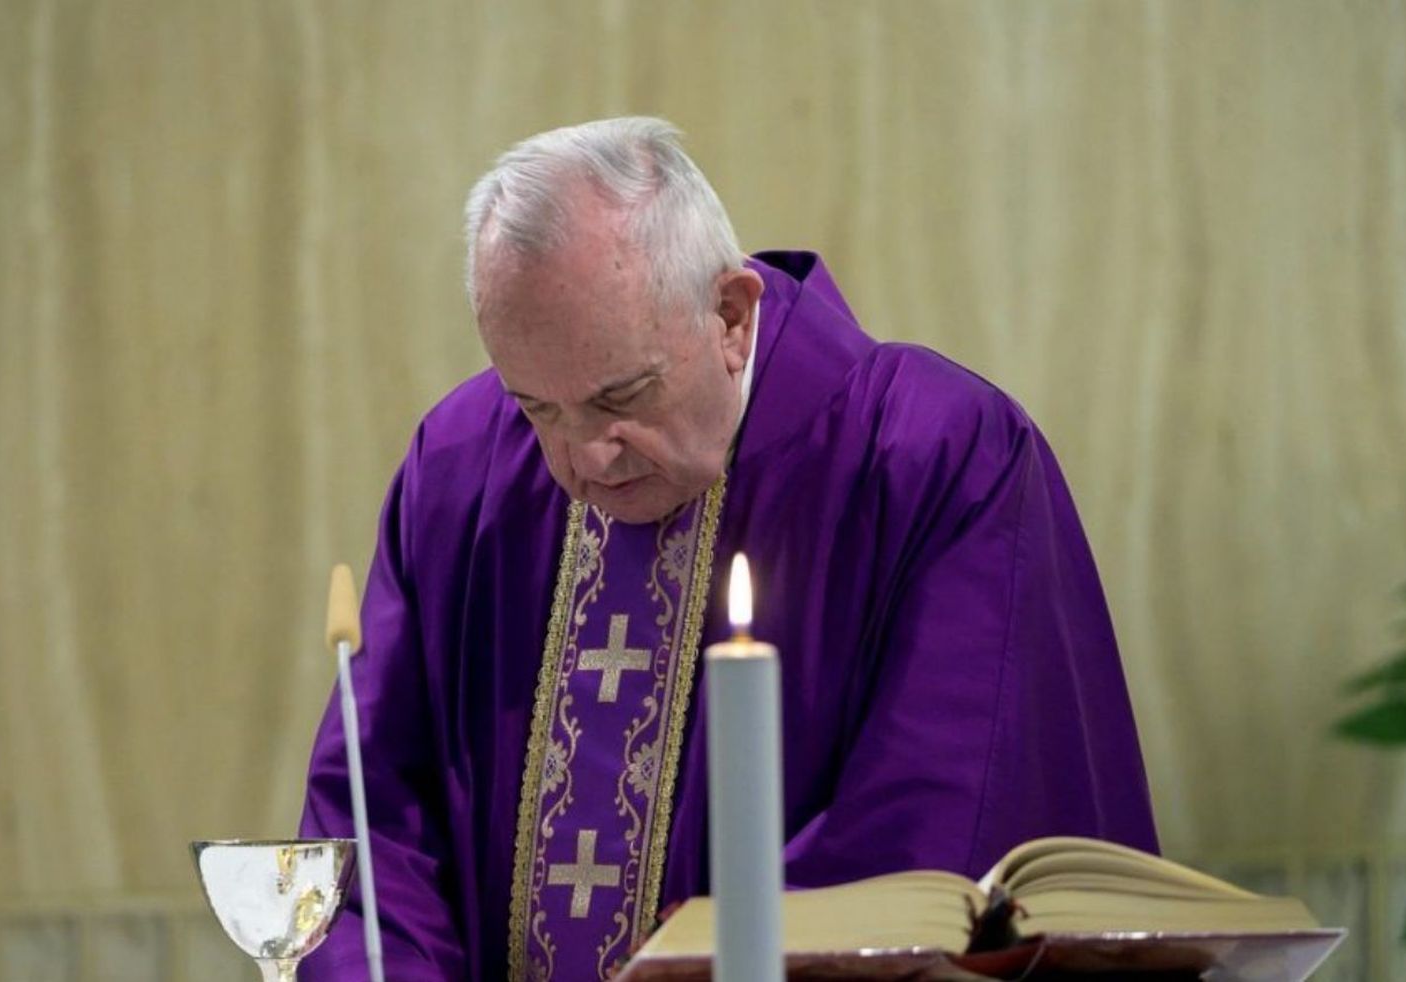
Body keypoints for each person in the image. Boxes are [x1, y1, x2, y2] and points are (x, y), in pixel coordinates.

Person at [299, 117, 1157, 982]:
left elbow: (940, 830)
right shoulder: (460, 469)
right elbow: (374, 829)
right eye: (537, 408)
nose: (582, 459)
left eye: (621, 397)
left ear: (731, 317)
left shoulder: (936, 457)